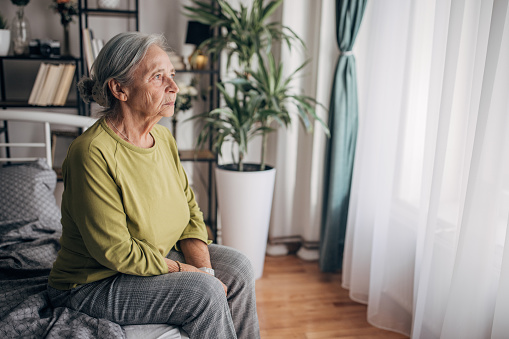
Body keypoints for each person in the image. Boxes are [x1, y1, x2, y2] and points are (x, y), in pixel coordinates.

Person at [47, 32, 260, 339]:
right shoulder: (91, 153)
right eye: (158, 77)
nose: (173, 87)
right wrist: (190, 274)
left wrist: (207, 272)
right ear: (119, 89)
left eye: (172, 75)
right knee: (204, 293)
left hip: (157, 258)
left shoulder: (163, 139)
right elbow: (116, 252)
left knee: (239, 268)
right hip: (94, 284)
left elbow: (190, 212)